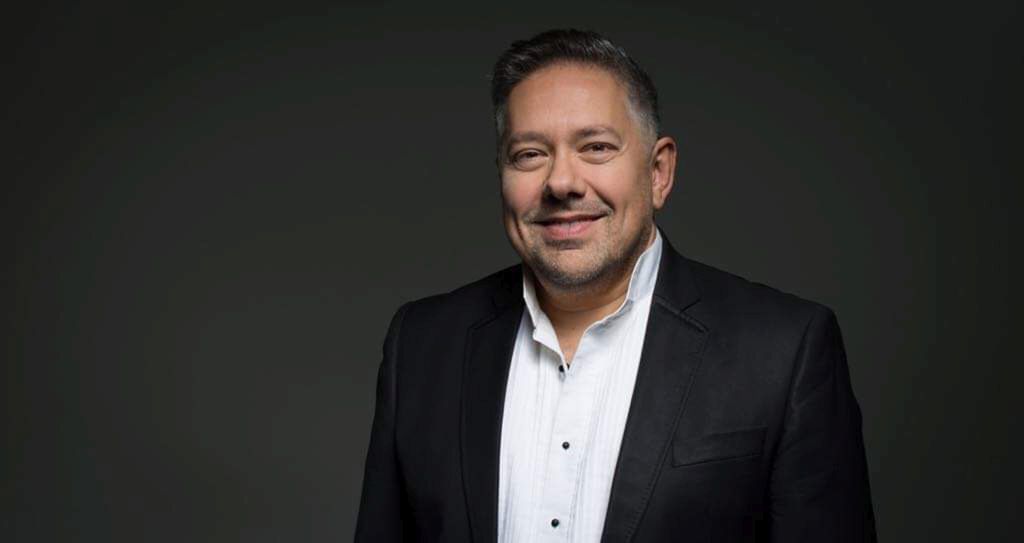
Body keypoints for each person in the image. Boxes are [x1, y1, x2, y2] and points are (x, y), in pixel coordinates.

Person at [354, 28, 876, 542]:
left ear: (659, 173)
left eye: (596, 147)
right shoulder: (421, 346)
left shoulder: (783, 350)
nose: (561, 182)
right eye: (529, 154)